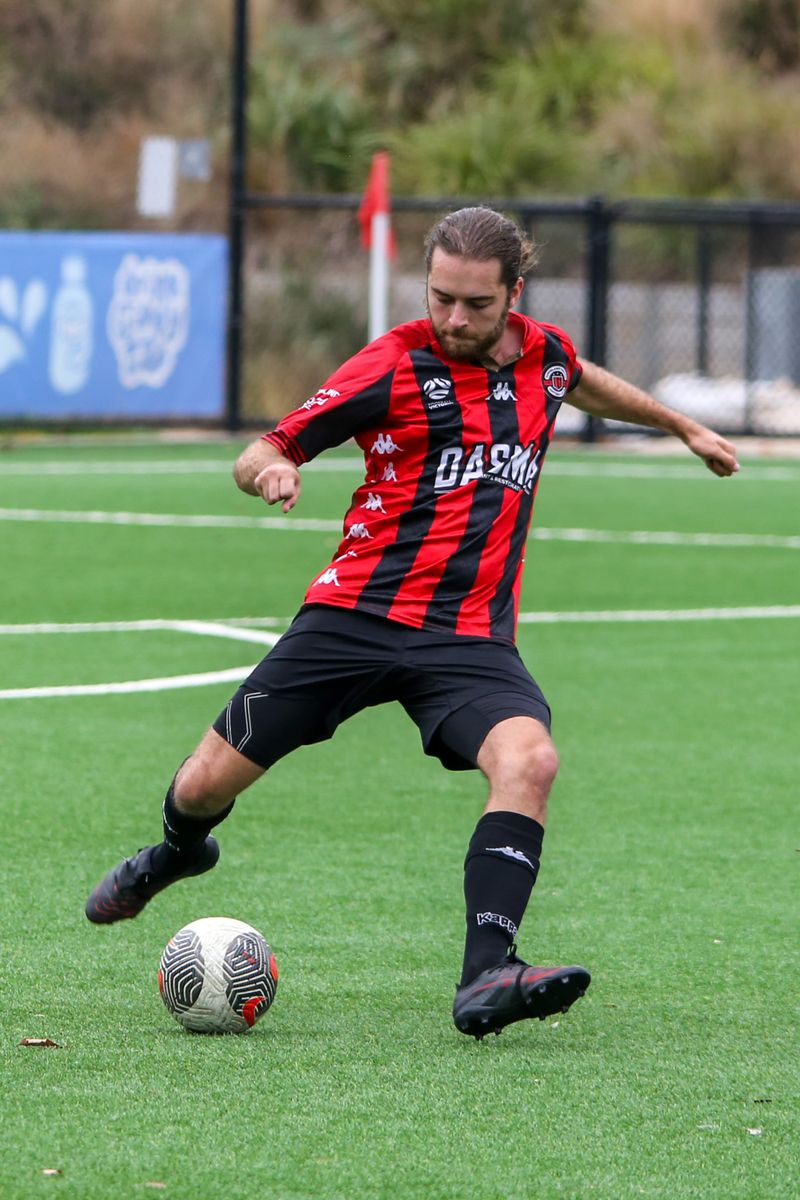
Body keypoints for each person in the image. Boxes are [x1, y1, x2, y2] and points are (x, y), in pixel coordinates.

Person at [86, 206, 739, 1039]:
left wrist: (683, 425)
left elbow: (578, 377)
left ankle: (487, 974)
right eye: (441, 299)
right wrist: (273, 473)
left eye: (476, 304)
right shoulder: (392, 364)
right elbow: (264, 447)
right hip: (351, 617)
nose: (455, 319)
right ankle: (177, 853)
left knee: (531, 761)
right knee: (201, 788)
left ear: (515, 294)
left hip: (467, 638)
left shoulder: (543, 355)